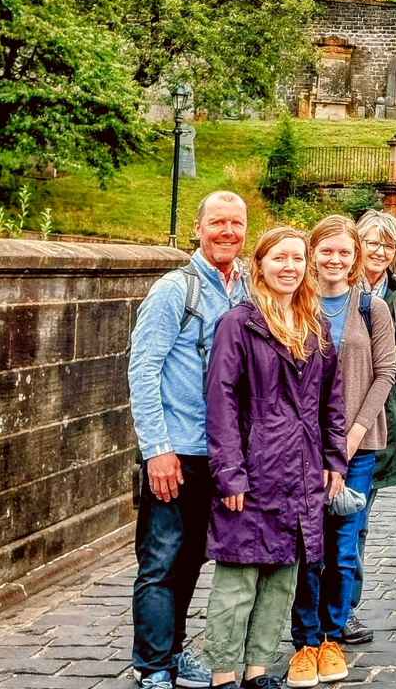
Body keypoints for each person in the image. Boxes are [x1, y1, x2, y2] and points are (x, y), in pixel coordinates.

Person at [203, 227, 346, 689]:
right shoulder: (239, 324)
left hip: (302, 470)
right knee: (239, 578)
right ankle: (225, 674)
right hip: (253, 466)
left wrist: (334, 459)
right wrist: (229, 474)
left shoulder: (315, 325)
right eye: (280, 258)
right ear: (260, 265)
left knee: (282, 578)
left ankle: (259, 671)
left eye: (297, 258)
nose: (290, 266)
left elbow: (332, 400)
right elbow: (220, 402)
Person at [127, 191, 249, 689]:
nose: (227, 232)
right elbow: (143, 369)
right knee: (160, 560)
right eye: (217, 222)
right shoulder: (174, 290)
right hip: (174, 449)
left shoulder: (242, 290)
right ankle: (152, 664)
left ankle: (172, 652)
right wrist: (156, 449)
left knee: (194, 555)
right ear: (199, 228)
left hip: (216, 453)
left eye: (236, 223)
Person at [286, 216, 396, 688]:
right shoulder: (295, 304)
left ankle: (333, 631)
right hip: (302, 448)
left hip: (360, 445)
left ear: (355, 260)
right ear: (313, 253)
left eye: (343, 253)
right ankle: (305, 640)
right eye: (326, 251)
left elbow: (386, 372)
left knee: (344, 546)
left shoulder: (371, 307)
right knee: (306, 546)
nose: (334, 260)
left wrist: (354, 432)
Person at [339, 209, 396, 644]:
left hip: (374, 418)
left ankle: (345, 608)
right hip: (328, 417)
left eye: (387, 245)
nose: (379, 251)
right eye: (372, 242)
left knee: (357, 520)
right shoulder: (334, 288)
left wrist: (381, 361)